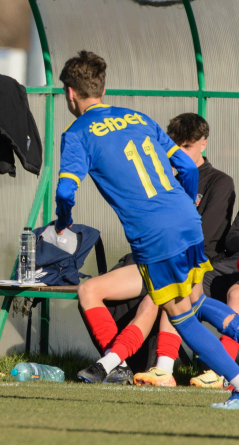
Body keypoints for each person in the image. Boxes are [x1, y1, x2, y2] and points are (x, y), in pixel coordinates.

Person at [57, 50, 239, 409]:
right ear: (102, 87)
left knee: (182, 317)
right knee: (197, 301)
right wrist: (182, 206)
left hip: (156, 235)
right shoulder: (136, 117)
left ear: (70, 92)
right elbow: (187, 168)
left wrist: (64, 219)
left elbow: (65, 189)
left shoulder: (77, 133)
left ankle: (237, 383)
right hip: (186, 222)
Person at [78, 113, 236, 386]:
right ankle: (119, 365)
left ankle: (157, 368)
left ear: (203, 144)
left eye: (188, 146)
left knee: (165, 299)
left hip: (188, 262)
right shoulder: (160, 174)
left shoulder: (219, 182)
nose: (181, 153)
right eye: (177, 146)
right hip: (151, 258)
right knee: (88, 289)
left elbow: (208, 237)